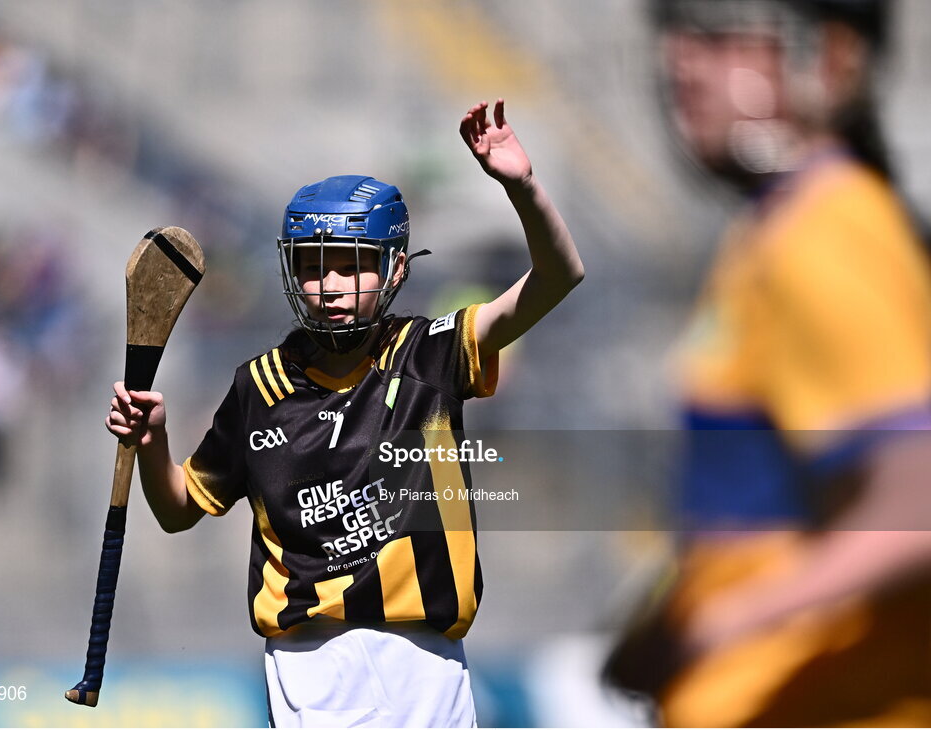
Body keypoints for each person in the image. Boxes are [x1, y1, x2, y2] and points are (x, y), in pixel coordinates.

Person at [107, 99, 582, 727]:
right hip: (310, 671)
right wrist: (153, 440)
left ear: (396, 269)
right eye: (312, 266)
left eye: (351, 264)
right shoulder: (258, 388)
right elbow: (175, 509)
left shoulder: (432, 353)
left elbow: (559, 275)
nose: (329, 284)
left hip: (428, 666)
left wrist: (521, 187)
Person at [604, 0, 931, 726]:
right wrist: (668, 624)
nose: (681, 63)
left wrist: (726, 620)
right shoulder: (777, 229)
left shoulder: (830, 230)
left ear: (835, 59)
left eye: (722, 37)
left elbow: (920, 501)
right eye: (678, 36)